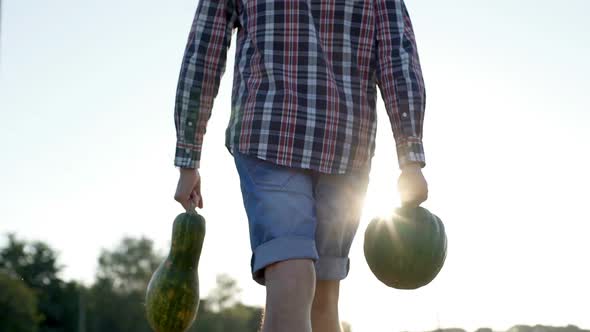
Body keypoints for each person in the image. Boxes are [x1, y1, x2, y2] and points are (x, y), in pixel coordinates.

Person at [173, 0, 428, 331]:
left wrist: (188, 157)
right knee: (306, 283)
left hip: (278, 136)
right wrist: (410, 159)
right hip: (333, 144)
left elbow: (202, 51)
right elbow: (398, 57)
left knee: (308, 283)